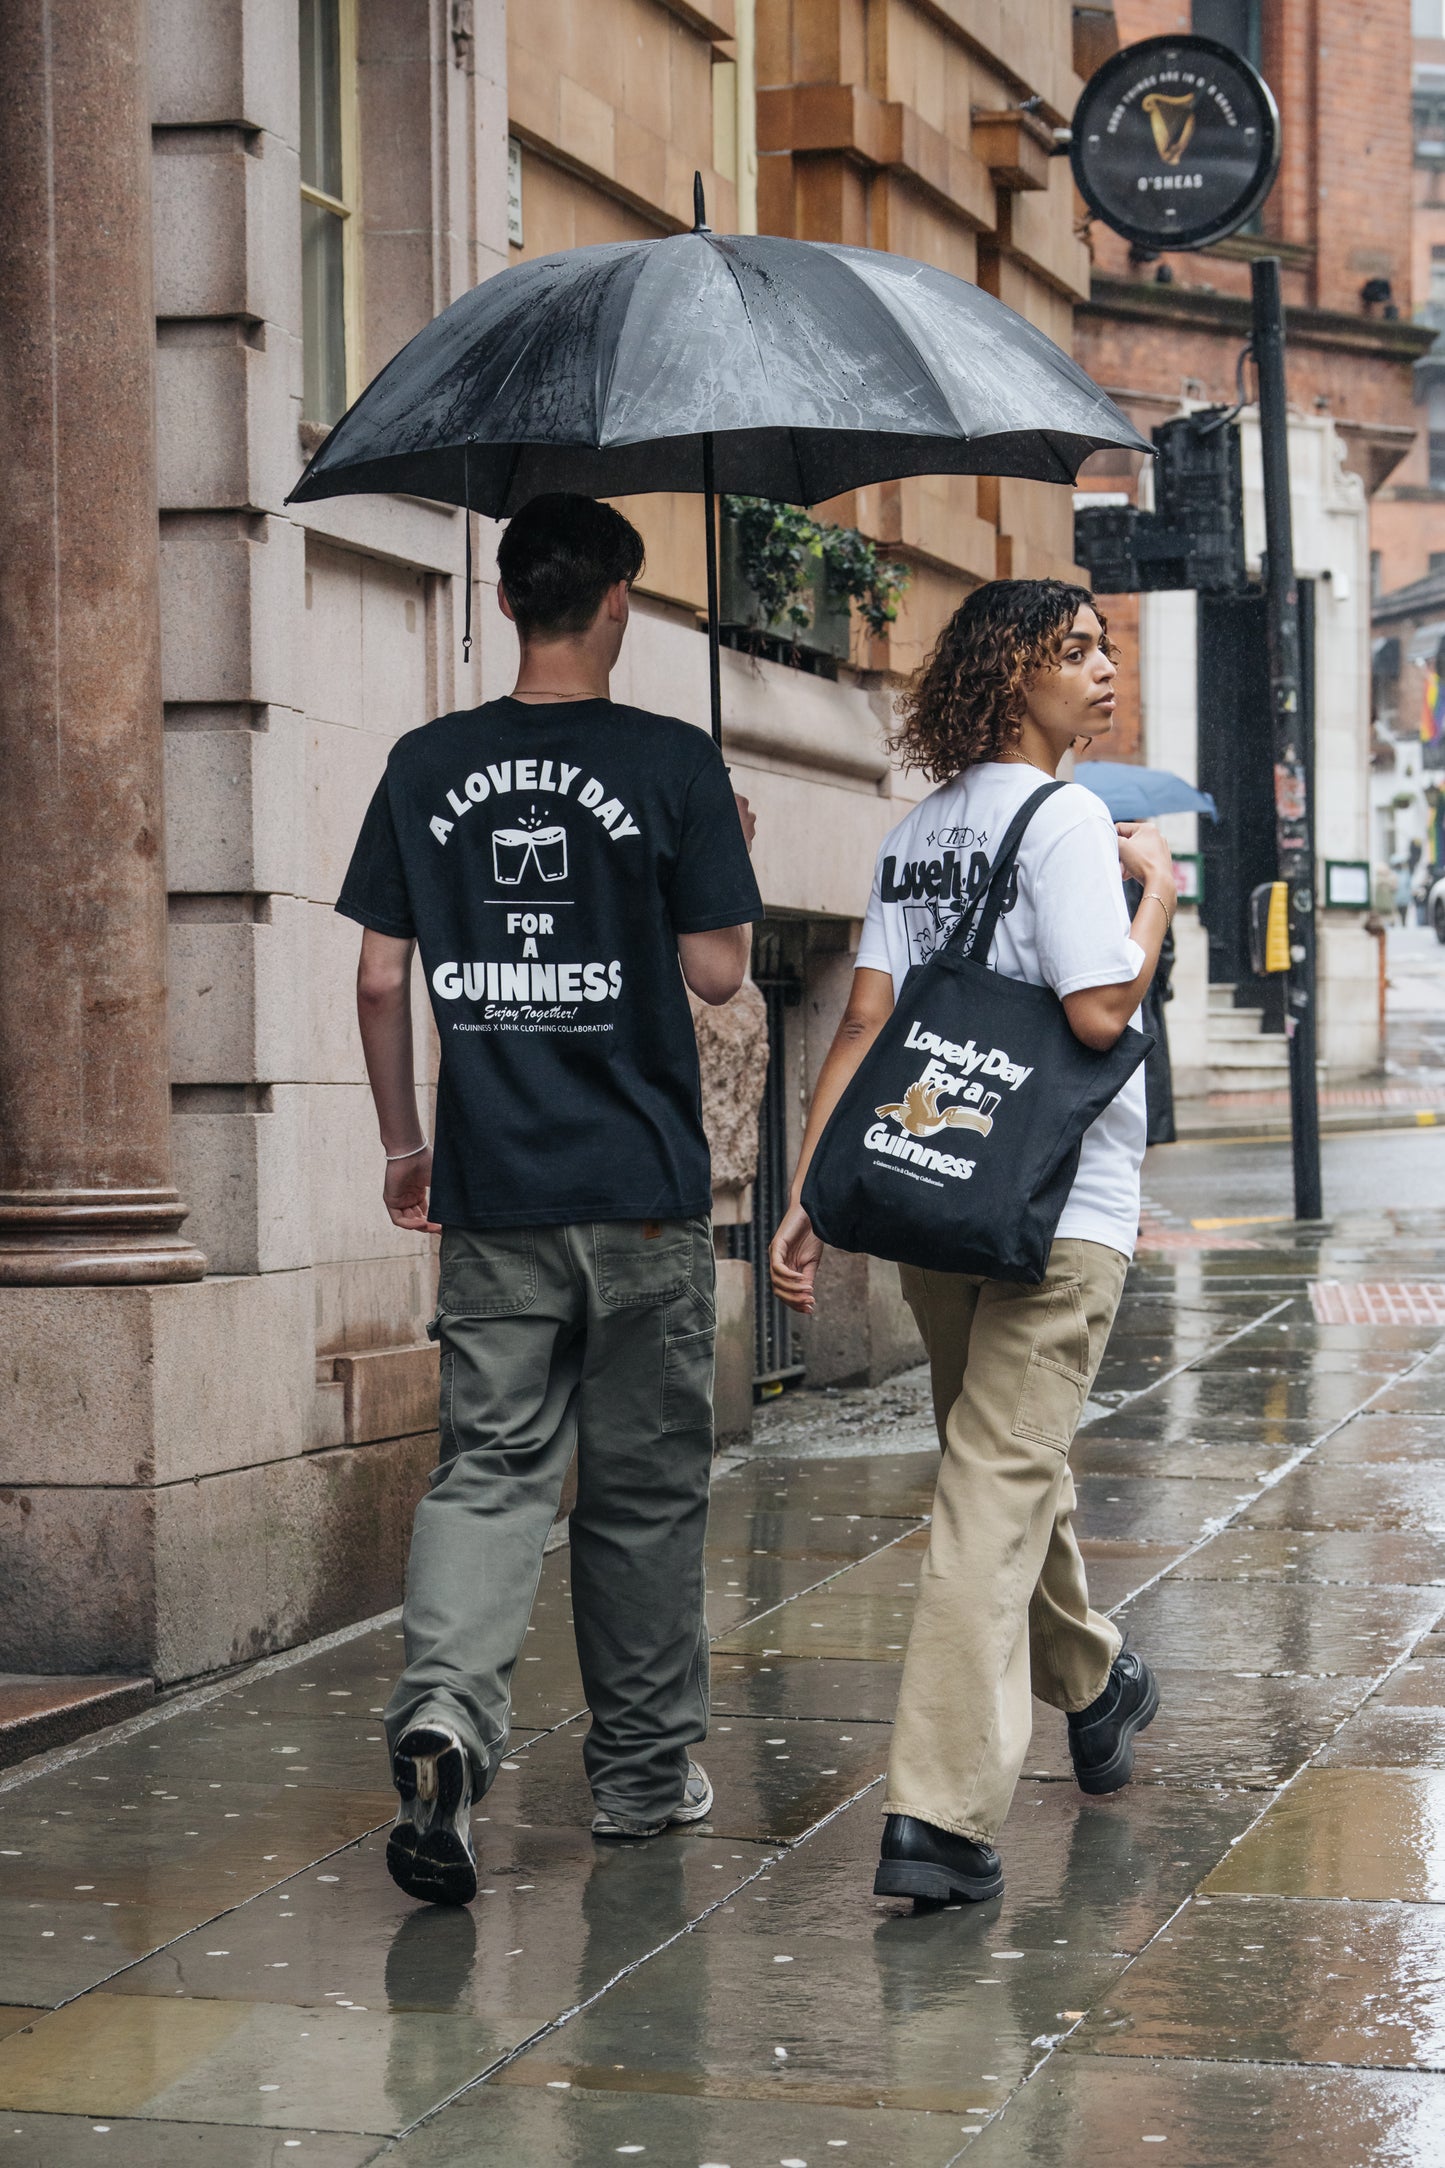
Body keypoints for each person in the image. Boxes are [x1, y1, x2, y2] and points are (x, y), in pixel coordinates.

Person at [336, 492, 762, 1905]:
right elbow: (718, 974)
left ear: (509, 599)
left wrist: (405, 1146)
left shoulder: (424, 763)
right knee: (640, 1496)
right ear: (618, 601)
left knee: (490, 1472)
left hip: (497, 1190)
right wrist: (724, 851)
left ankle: (446, 1719)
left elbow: (381, 977)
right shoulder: (671, 760)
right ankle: (639, 1780)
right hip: (639, 1194)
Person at [769, 579, 1172, 1906]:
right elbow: (1100, 1012)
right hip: (1058, 1204)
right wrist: (1157, 899)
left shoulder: (915, 834)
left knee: (1003, 1464)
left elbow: (862, 1023)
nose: (1102, 668)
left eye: (1104, 646)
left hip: (934, 1190)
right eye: (1075, 650)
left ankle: (1092, 1683)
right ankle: (937, 1819)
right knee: (994, 1485)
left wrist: (814, 1187)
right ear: (1013, 677)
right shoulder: (1068, 822)